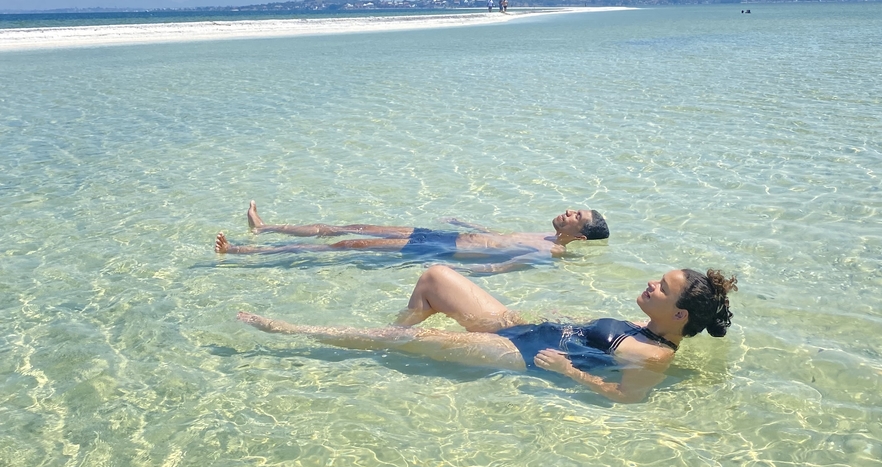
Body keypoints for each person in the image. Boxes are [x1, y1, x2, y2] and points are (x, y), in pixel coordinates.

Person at [236, 263, 737, 404]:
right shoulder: (645, 328)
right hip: (523, 327)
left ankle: (292, 330)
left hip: (515, 354)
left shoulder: (654, 357)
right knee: (434, 277)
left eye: (662, 288)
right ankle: (380, 339)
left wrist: (569, 373)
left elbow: (625, 399)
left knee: (413, 343)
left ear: (680, 317)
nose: (651, 284)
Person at [216, 204, 610, 273]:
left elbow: (507, 263)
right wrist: (464, 221)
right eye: (574, 209)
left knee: (347, 246)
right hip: (447, 236)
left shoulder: (551, 250)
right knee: (357, 228)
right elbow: (496, 237)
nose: (569, 212)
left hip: (442, 250)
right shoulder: (543, 232)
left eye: (577, 215)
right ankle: (264, 228)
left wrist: (480, 272)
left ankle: (243, 251)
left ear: (581, 234)